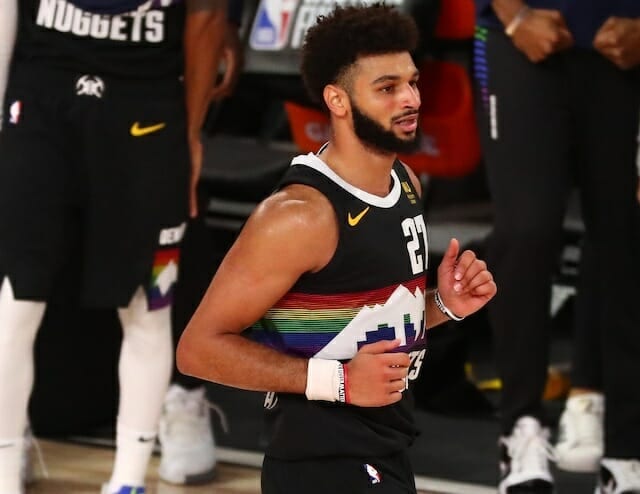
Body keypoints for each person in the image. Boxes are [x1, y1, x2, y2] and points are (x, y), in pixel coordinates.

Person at [176, 4, 497, 494]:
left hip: (387, 447)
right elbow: (198, 349)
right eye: (387, 88)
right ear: (337, 100)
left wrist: (442, 305)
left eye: (413, 82)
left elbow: (365, 325)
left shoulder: (405, 183)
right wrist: (340, 383)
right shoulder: (299, 216)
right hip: (319, 463)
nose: (410, 99)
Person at [0, 1, 227, 493]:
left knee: (150, 302)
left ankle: (128, 480)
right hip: (39, 103)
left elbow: (208, 15)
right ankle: (4, 469)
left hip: (147, 113)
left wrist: (189, 134)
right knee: (17, 298)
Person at [473, 1, 640, 493]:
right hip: (520, 41)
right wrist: (515, 16)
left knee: (625, 236)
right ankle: (521, 428)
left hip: (625, 49)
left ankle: (627, 449)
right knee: (526, 231)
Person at [158, 4, 246, 485]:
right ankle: (15, 419)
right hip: (47, 55)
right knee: (39, 223)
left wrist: (227, 18)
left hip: (160, 47)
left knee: (178, 204)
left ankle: (184, 391)